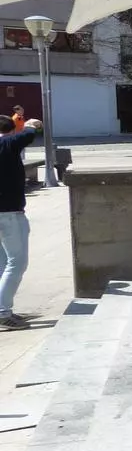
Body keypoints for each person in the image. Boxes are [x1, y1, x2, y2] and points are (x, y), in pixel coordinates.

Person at [0, 115, 42, 330]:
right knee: (17, 262)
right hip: (9, 213)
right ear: (11, 128)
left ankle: (3, 307)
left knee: (3, 263)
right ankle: (2, 312)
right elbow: (29, 133)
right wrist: (30, 124)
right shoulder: (7, 142)